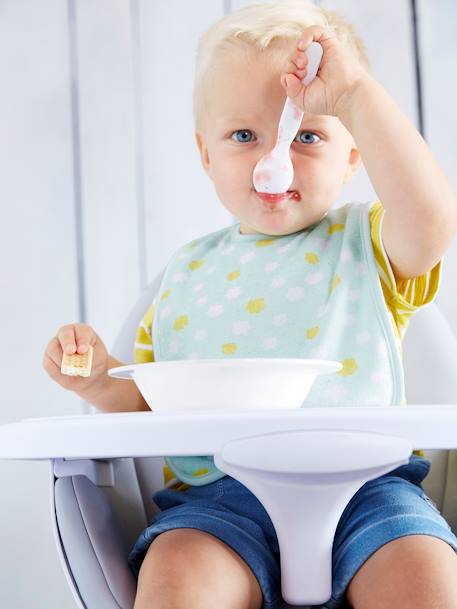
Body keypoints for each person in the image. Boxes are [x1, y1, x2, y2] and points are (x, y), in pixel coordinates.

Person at [43, 1, 457, 608]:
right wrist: (99, 378)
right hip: (218, 501)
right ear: (205, 155)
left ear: (353, 156)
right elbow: (149, 405)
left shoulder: (369, 247)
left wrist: (355, 97)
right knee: (178, 571)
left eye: (307, 134)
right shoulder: (185, 277)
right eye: (244, 136)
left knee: (422, 575)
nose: (275, 162)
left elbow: (431, 218)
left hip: (369, 491)